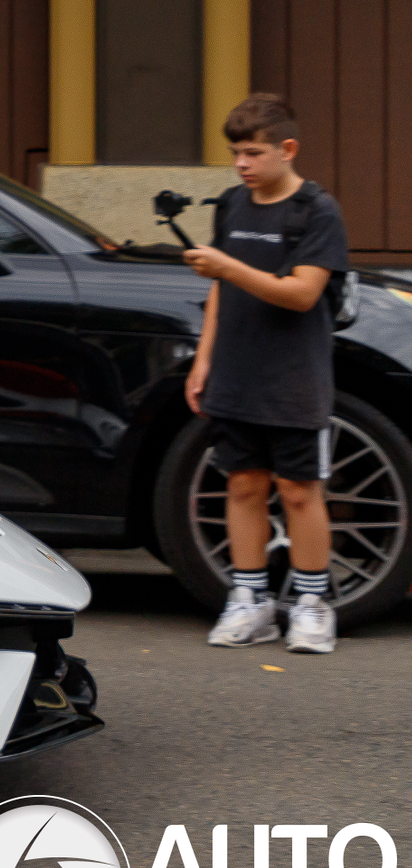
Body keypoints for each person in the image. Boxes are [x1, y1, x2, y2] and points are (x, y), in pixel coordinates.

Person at [182, 93, 351, 654]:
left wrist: (227, 265)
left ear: (288, 149)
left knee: (300, 491)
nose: (242, 164)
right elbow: (219, 291)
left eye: (253, 153)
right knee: (242, 485)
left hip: (294, 379)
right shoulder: (232, 204)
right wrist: (204, 359)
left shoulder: (317, 210)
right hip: (235, 373)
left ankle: (312, 605)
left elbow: (303, 294)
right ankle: (250, 601)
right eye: (236, 153)